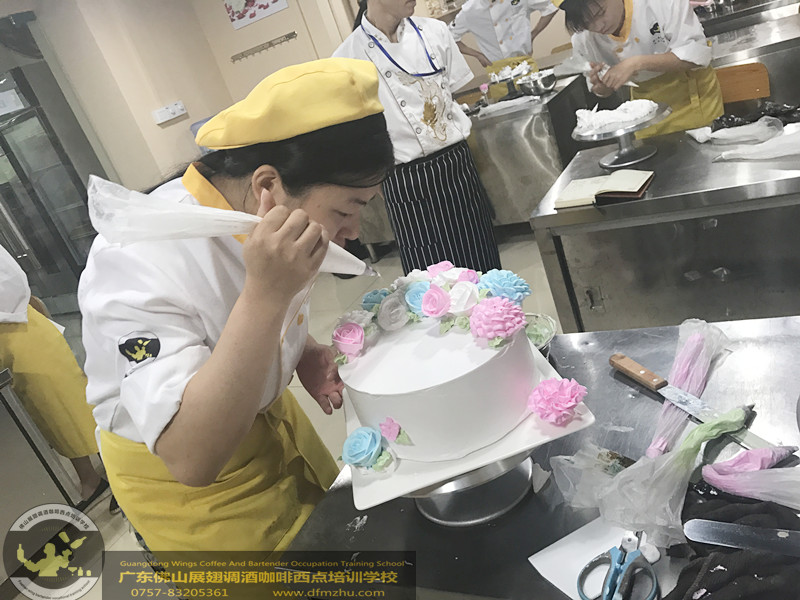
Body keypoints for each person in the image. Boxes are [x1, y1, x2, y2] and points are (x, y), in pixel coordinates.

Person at [78, 58, 395, 553]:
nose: (353, 232)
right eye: (345, 209)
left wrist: (299, 346)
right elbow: (191, 457)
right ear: (267, 185)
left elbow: (222, 318)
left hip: (267, 422)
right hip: (195, 484)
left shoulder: (259, 216)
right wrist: (267, 294)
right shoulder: (133, 259)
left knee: (346, 544)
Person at [335, 0, 502, 275]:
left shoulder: (436, 31)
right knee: (428, 278)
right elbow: (356, 136)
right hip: (404, 179)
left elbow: (451, 97)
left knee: (482, 263)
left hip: (456, 165)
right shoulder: (345, 61)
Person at [0, 246, 111, 511]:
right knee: (50, 416)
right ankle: (91, 479)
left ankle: (119, 473)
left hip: (20, 331)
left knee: (69, 406)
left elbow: (10, 281)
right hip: (11, 338)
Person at [556, 0, 723, 138]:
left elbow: (696, 56)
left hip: (692, 98)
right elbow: (602, 90)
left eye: (600, 13)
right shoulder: (584, 38)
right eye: (586, 22)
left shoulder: (659, 3)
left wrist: (637, 63)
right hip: (644, 111)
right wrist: (602, 86)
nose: (598, 26)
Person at [449, 0, 559, 69]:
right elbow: (449, 37)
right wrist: (478, 55)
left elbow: (551, 6)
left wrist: (533, 34)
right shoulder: (469, 10)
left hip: (525, 64)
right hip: (498, 73)